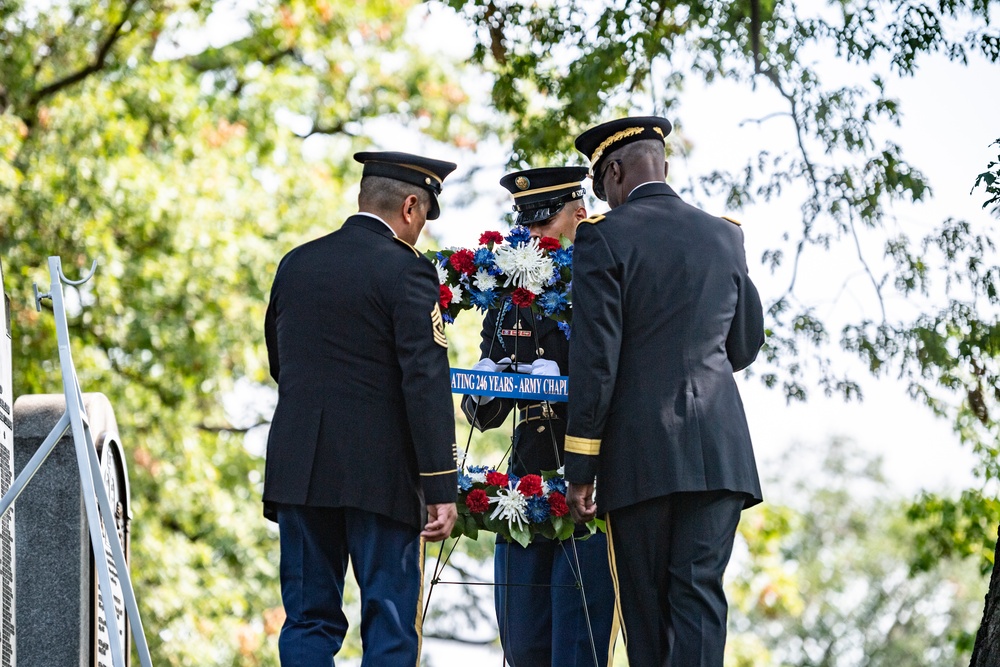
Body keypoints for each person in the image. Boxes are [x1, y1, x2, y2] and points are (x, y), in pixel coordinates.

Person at [563, 117, 766, 667]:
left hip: (641, 454)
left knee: (646, 608)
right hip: (721, 455)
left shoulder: (602, 236)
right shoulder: (726, 234)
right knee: (700, 598)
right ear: (665, 167)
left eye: (600, 182)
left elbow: (595, 362)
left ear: (614, 171)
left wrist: (581, 466)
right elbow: (744, 345)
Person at [263, 150, 460, 666]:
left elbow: (281, 364)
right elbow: (426, 382)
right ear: (411, 207)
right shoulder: (409, 272)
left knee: (308, 620)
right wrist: (441, 486)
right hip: (382, 475)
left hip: (300, 472)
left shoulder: (296, 263)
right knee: (390, 622)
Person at [462, 166, 618, 667]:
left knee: (579, 648)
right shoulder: (509, 298)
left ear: (579, 215)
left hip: (589, 486)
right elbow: (486, 414)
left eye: (542, 226)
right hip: (525, 485)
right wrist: (483, 395)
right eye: (524, 227)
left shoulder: (606, 285)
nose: (530, 238)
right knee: (523, 645)